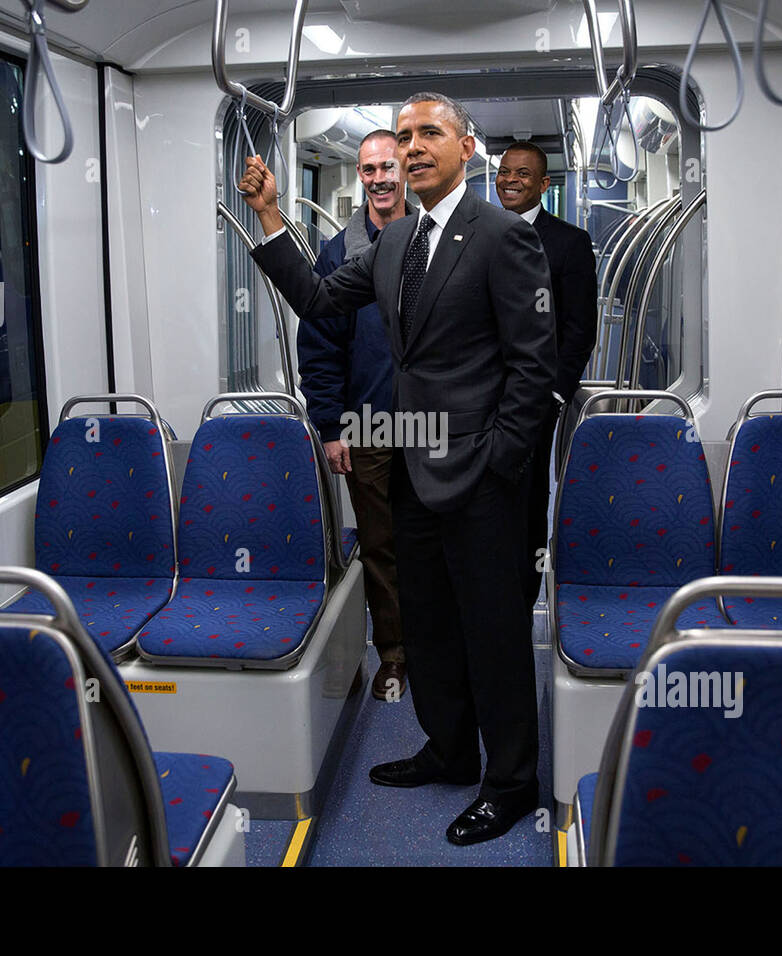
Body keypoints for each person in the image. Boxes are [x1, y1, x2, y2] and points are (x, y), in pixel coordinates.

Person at [239, 92, 556, 845]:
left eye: (429, 134)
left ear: (467, 147)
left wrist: (497, 468)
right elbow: (318, 300)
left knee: (495, 635)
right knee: (430, 626)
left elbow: (531, 370)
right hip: (412, 468)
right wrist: (271, 217)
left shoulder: (503, 236)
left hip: (479, 479)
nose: (413, 148)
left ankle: (509, 782)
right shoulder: (395, 242)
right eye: (405, 135)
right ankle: (448, 751)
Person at [296, 129, 413, 700]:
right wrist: (331, 425)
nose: (379, 178)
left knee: (439, 540)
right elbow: (320, 343)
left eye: (388, 166)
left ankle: (441, 646)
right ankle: (393, 652)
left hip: (438, 427)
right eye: (369, 170)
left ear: (405, 170)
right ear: (361, 177)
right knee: (381, 544)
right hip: (368, 424)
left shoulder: (437, 237)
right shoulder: (340, 249)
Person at [494, 142, 598, 611]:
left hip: (536, 398)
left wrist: (555, 395)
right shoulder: (481, 233)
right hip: (478, 396)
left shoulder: (569, 243)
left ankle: (522, 594)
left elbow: (579, 331)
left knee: (528, 494)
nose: (509, 180)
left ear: (543, 184)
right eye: (503, 172)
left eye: (521, 174)